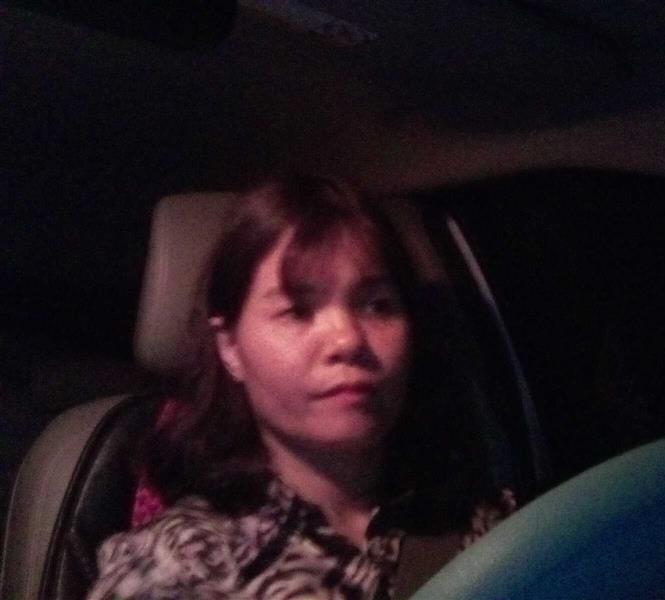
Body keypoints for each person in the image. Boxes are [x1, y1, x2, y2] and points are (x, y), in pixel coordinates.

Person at [88, 175, 514, 600]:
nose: (347, 340)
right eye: (297, 311)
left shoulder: (496, 527)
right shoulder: (180, 567)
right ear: (231, 347)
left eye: (377, 305)